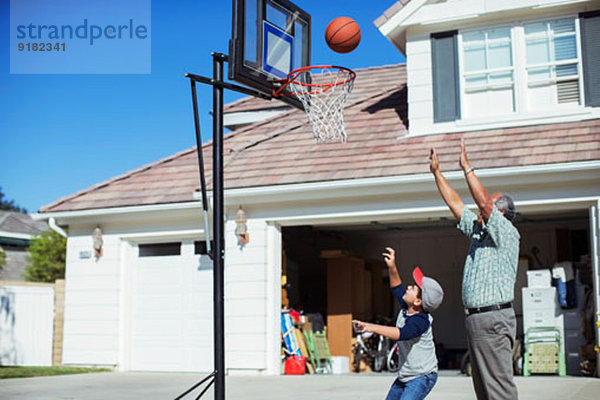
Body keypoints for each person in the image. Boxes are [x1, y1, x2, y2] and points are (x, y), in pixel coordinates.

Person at [429, 139, 519, 400]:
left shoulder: (507, 233)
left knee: (499, 388)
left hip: (493, 319)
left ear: (500, 214)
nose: (480, 211)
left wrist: (467, 167)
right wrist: (437, 173)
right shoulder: (479, 232)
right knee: (483, 389)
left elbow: (483, 204)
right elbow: (457, 206)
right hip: (478, 320)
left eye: (487, 207)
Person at [353, 247, 444, 400]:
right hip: (405, 376)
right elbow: (396, 287)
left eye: (413, 288)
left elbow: (401, 334)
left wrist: (371, 327)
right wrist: (392, 266)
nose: (409, 287)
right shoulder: (407, 307)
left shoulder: (420, 321)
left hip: (421, 377)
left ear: (418, 301)